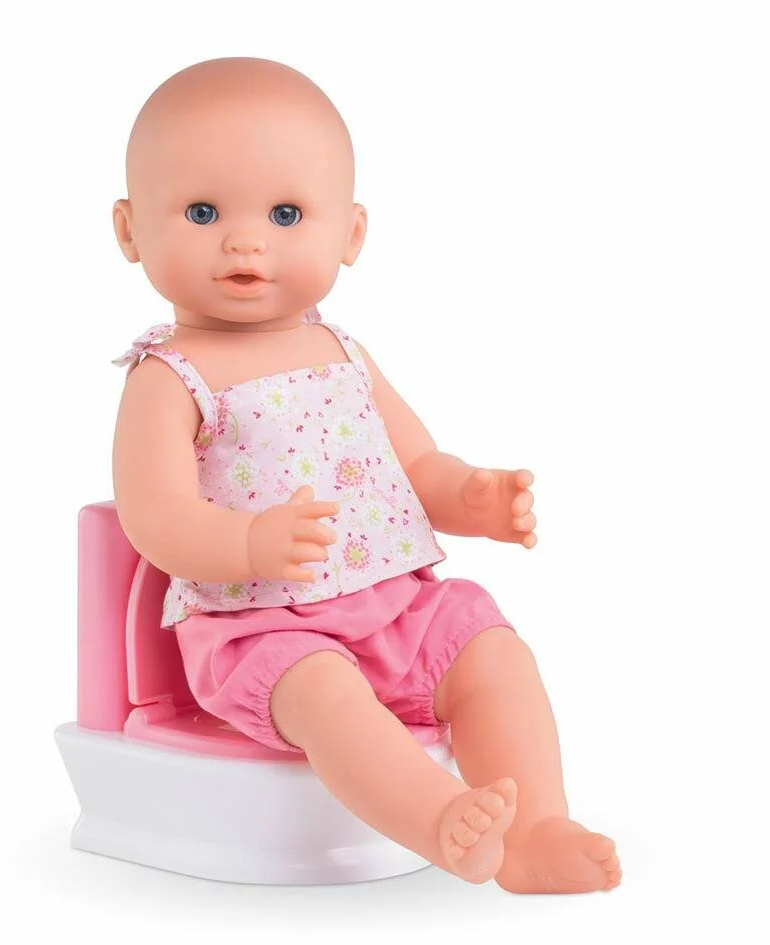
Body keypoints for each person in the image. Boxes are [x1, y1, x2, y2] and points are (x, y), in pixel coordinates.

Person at [111, 57, 619, 893]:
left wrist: (471, 497)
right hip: (261, 630)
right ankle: (439, 821)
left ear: (349, 234)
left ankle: (532, 829)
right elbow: (154, 514)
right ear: (130, 231)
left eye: (285, 213)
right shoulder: (169, 377)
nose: (245, 240)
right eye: (203, 212)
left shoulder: (342, 352)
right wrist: (247, 542)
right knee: (325, 697)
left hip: (396, 605)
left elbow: (413, 463)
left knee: (491, 651)